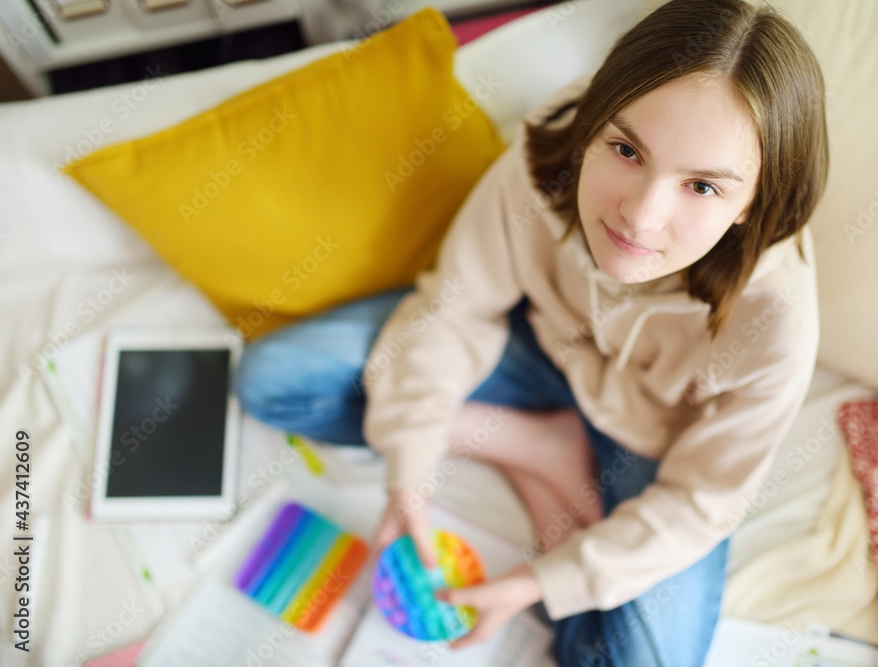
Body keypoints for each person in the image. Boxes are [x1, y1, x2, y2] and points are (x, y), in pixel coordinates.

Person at [234, 0, 828, 663]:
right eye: (626, 149)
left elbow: (701, 500)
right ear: (596, 118)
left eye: (702, 188)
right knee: (274, 379)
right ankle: (535, 443)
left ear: (754, 202)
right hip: (543, 348)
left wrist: (540, 581)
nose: (640, 215)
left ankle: (537, 442)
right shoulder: (553, 146)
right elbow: (457, 304)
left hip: (653, 440)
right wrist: (411, 466)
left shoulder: (778, 318)